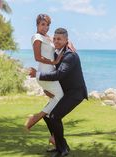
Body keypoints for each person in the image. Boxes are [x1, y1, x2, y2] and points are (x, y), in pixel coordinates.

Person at [29, 28, 88, 157]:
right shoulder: (57, 53)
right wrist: (47, 89)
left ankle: (62, 150)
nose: (56, 41)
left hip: (75, 93)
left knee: (55, 116)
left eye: (59, 39)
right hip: (65, 92)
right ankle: (60, 144)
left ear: (66, 40)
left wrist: (37, 74)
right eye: (55, 38)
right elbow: (48, 41)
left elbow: (58, 74)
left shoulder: (70, 55)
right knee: (47, 115)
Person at [25, 14, 75, 136]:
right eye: (43, 24)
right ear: (37, 24)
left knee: (56, 100)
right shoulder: (36, 37)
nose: (45, 27)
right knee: (60, 97)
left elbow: (61, 44)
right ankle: (37, 117)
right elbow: (37, 57)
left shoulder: (48, 37)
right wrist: (54, 62)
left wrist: (70, 44)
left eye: (47, 25)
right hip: (44, 72)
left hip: (51, 73)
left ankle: (54, 136)